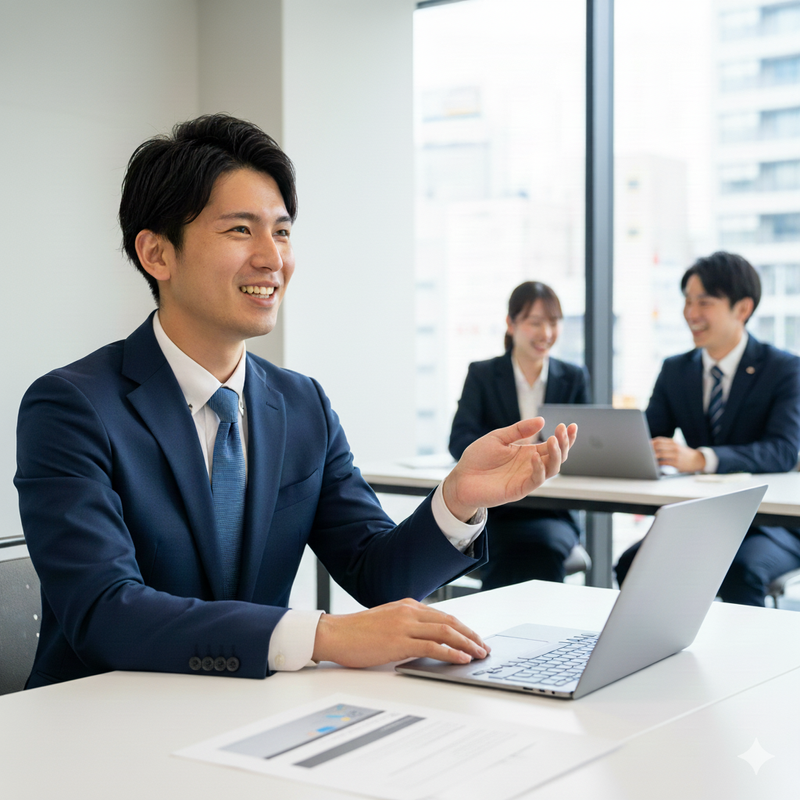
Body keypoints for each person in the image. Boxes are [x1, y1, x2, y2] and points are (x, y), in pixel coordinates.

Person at [15, 114, 577, 688]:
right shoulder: (71, 408)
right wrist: (321, 635)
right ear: (157, 254)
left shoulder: (301, 404)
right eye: (240, 231)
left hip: (249, 720)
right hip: (97, 729)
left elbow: (378, 574)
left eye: (281, 232)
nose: (272, 258)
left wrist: (457, 500)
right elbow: (105, 613)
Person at [615, 251, 800, 606]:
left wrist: (701, 458)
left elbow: (782, 451)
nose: (691, 314)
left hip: (770, 525)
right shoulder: (676, 370)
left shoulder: (782, 368)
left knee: (739, 571)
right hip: (704, 519)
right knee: (633, 564)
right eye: (687, 301)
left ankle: (745, 663)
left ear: (742, 309)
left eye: (704, 302)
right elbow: (648, 438)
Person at [449, 281, 589, 589]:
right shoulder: (483, 375)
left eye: (553, 323)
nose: (546, 333)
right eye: (535, 323)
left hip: (553, 512)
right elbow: (459, 439)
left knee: (543, 546)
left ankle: (546, 634)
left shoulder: (573, 377)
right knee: (501, 547)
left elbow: (588, 447)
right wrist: (506, 450)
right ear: (511, 324)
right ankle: (493, 635)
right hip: (497, 508)